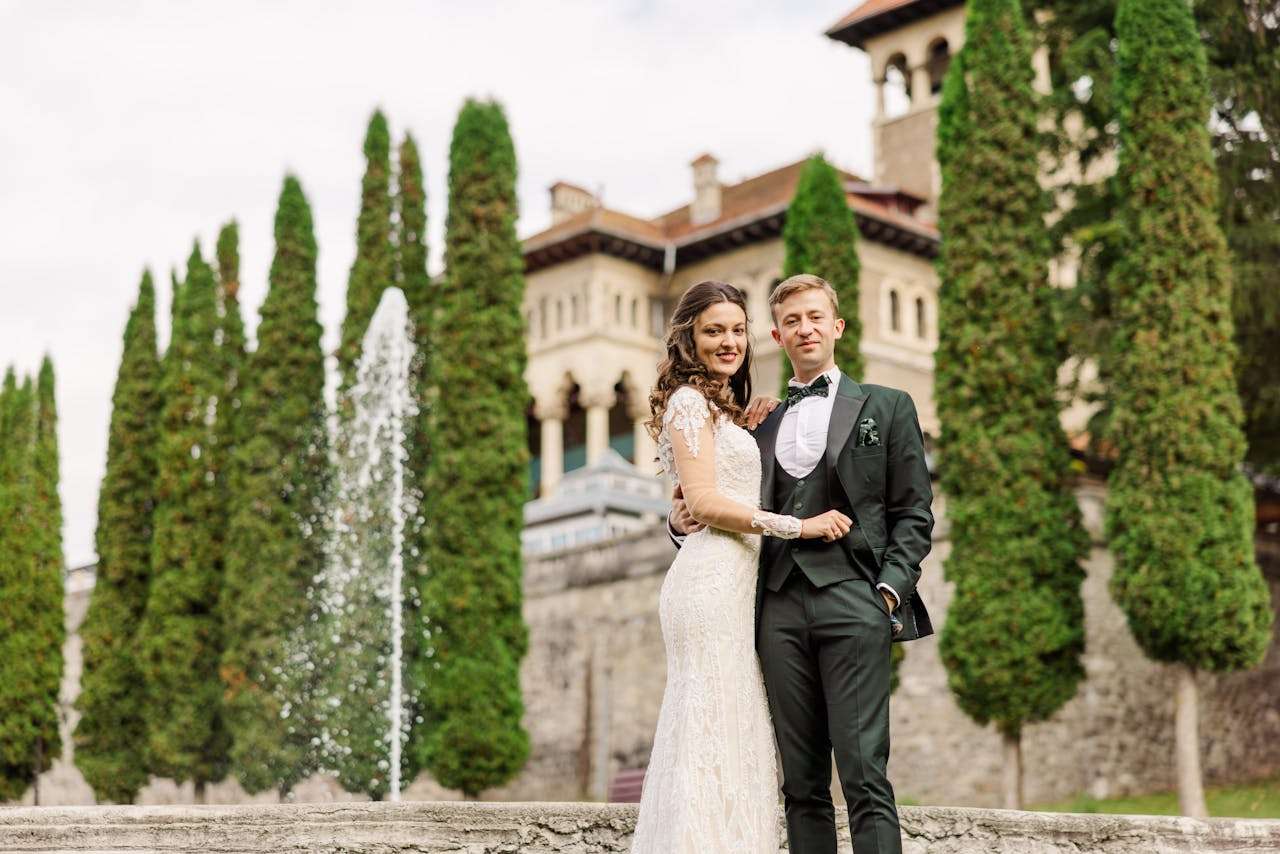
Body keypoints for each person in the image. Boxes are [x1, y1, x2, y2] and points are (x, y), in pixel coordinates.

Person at [668, 274, 934, 854]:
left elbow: (913, 512)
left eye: (815, 317)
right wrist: (677, 521)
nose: (805, 328)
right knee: (800, 785)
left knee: (866, 777)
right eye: (792, 321)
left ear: (836, 326)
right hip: (775, 609)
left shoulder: (888, 408)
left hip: (855, 600)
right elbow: (713, 497)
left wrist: (887, 592)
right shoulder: (754, 422)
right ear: (777, 336)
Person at [630, 279, 850, 853]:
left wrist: (757, 430)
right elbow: (700, 503)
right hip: (709, 587)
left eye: (736, 331)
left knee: (731, 733)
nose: (729, 342)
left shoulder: (722, 410)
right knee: (710, 730)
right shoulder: (686, 401)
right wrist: (796, 525)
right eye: (713, 331)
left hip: (735, 586)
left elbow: (712, 486)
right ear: (688, 339)